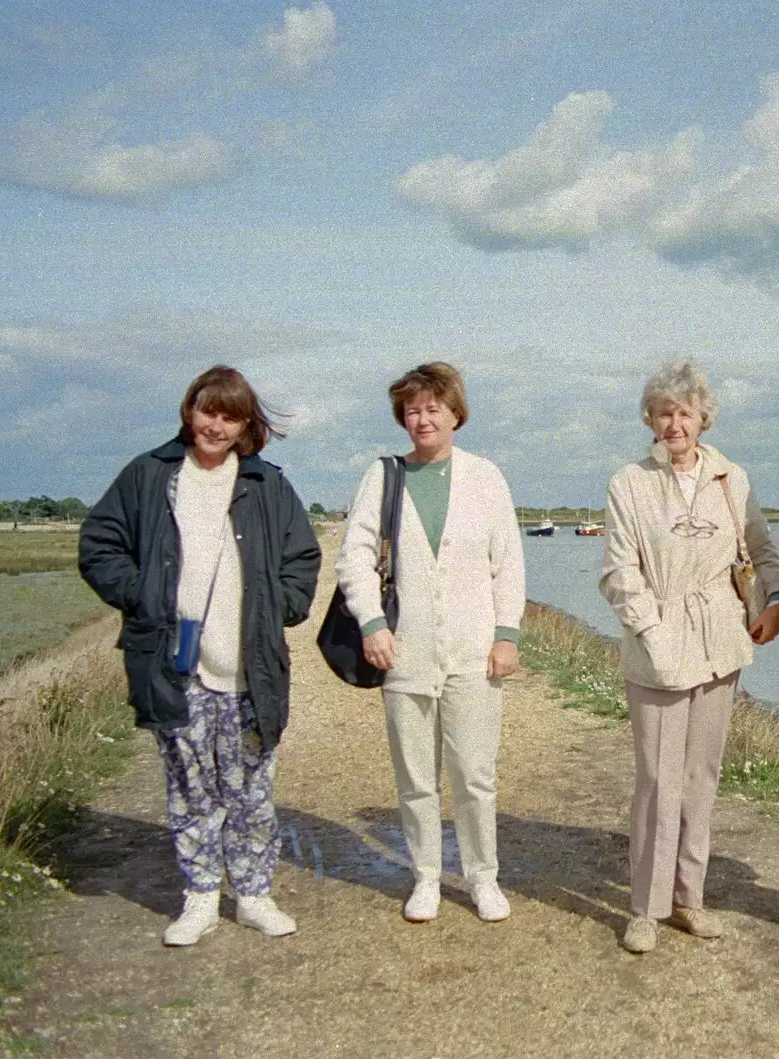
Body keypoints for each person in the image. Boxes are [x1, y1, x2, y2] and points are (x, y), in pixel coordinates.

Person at [79, 366, 321, 947]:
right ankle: (199, 898)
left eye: (230, 415)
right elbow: (98, 544)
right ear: (190, 411)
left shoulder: (266, 484)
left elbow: (303, 558)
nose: (216, 425)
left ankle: (255, 894)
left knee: (250, 788)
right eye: (207, 411)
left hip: (248, 667)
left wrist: (280, 607)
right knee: (190, 787)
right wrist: (142, 596)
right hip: (171, 661)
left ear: (246, 425)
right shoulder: (148, 475)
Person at [600, 358, 779, 954]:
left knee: (701, 777)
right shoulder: (628, 483)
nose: (675, 423)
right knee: (658, 780)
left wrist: (775, 602)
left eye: (685, 412)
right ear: (650, 420)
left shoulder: (731, 477)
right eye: (663, 413)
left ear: (703, 417)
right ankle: (645, 909)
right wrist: (653, 634)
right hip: (657, 645)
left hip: (721, 644)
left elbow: (763, 550)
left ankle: (689, 900)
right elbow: (618, 573)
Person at [335, 362, 525, 924]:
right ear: (402, 417)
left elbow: (508, 563)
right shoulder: (383, 476)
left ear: (455, 413)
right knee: (416, 775)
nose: (423, 418)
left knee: (473, 774)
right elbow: (356, 558)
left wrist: (506, 634)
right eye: (413, 409)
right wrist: (372, 623)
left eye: (433, 408)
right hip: (406, 653)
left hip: (474, 653)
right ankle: (423, 876)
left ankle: (482, 876)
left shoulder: (486, 477)